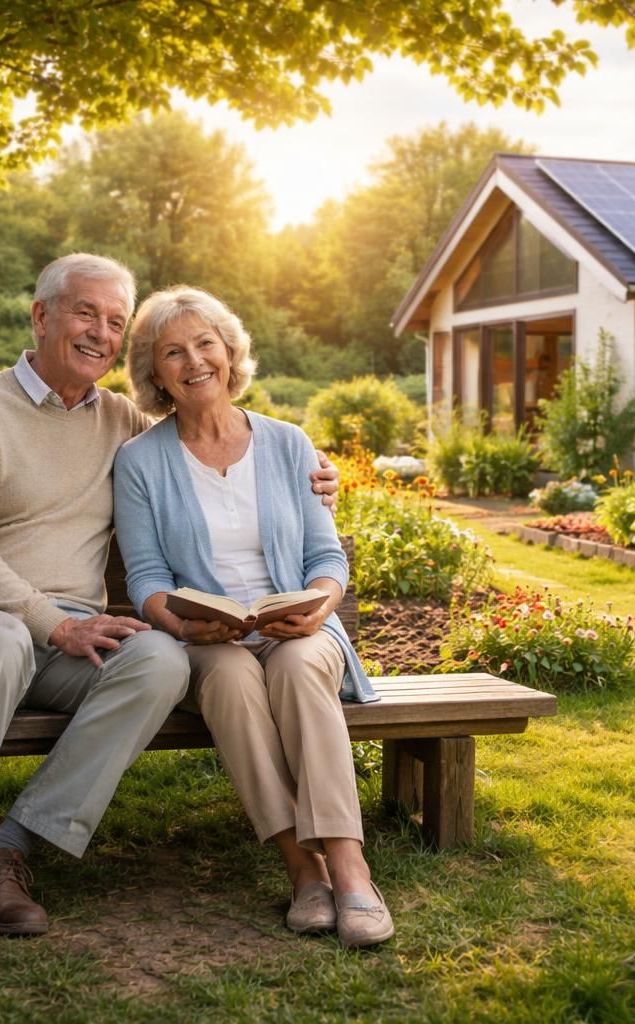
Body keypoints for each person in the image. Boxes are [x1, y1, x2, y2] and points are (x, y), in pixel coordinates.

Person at [0, 255, 338, 950]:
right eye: (84, 313)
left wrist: (315, 481)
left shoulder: (124, 422)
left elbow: (207, 444)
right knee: (2, 638)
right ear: (41, 316)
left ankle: (7, 852)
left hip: (74, 638)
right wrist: (54, 622)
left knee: (161, 660)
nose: (99, 332)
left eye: (114, 321)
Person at [113, 285, 394, 948]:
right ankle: (303, 870)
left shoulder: (289, 444)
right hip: (210, 639)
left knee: (298, 667)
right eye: (172, 352)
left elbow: (327, 557)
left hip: (298, 626)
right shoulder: (139, 463)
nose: (193, 361)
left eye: (205, 344)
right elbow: (147, 577)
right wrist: (184, 626)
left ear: (230, 351)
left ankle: (351, 869)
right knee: (233, 679)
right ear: (155, 373)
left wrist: (319, 606)